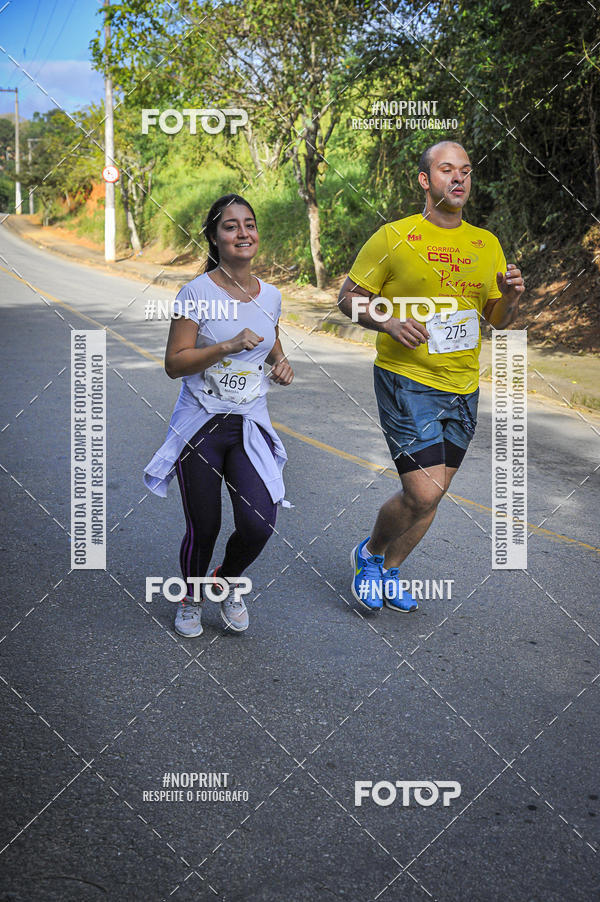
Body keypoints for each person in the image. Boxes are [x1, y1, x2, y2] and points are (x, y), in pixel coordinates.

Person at [338, 141, 525, 613]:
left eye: (465, 170)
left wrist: (512, 297)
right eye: (446, 170)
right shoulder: (393, 237)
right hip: (406, 379)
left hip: (462, 385)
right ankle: (368, 554)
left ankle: (391, 569)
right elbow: (348, 297)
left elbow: (497, 320)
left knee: (433, 493)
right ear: (425, 180)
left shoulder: (487, 244)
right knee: (423, 489)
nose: (458, 178)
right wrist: (387, 321)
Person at [144, 193, 293, 637]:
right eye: (231, 226)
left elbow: (271, 344)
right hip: (201, 424)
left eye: (249, 224)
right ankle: (190, 598)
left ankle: (225, 581)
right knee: (204, 524)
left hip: (249, 423)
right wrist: (225, 346)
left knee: (259, 521)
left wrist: (280, 364)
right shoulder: (196, 293)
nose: (242, 233)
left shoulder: (272, 295)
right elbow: (175, 364)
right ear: (214, 236)